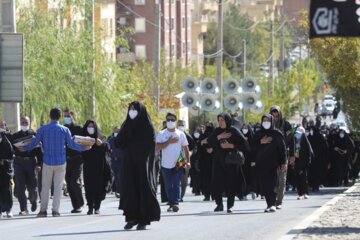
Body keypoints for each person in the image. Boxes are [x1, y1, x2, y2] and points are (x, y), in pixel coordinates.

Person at [24, 108, 90, 217]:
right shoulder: (65, 130)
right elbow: (72, 145)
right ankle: (55, 210)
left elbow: (35, 142)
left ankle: (43, 210)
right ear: (60, 117)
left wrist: (25, 148)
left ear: (50, 116)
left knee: (45, 187)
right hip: (60, 162)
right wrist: (84, 148)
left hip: (47, 161)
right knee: (58, 187)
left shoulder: (43, 129)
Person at [116, 101, 160, 230]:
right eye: (131, 109)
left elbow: (151, 145)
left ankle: (143, 220)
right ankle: (131, 218)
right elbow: (119, 142)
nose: (132, 111)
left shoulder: (147, 126)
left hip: (143, 165)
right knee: (130, 189)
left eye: (135, 109)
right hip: (129, 163)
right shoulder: (127, 125)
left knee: (143, 188)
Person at [207, 113, 250, 213]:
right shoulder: (217, 131)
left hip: (231, 161)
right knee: (217, 182)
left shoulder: (233, 130)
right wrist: (219, 137)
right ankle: (219, 204)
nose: (220, 122)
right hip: (218, 161)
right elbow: (209, 141)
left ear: (227, 120)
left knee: (231, 183)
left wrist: (231, 146)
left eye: (222, 120)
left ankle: (230, 205)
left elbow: (245, 144)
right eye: (219, 120)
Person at [251, 114, 287, 213]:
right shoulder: (258, 134)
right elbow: (252, 148)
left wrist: (283, 163)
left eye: (268, 120)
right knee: (265, 184)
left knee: (274, 183)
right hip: (261, 163)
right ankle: (269, 204)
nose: (266, 122)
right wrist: (260, 142)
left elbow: (282, 149)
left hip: (274, 163)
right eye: (264, 120)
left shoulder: (277, 133)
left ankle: (273, 204)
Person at [156, 112, 190, 213]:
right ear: (166, 122)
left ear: (175, 121)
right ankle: (171, 203)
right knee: (168, 185)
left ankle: (175, 203)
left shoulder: (181, 134)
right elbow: (157, 147)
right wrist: (168, 142)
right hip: (165, 164)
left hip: (179, 162)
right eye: (168, 120)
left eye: (172, 120)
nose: (170, 122)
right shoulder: (162, 134)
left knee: (176, 183)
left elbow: (186, 148)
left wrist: (188, 162)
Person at [11, 116, 42, 215]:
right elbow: (11, 149)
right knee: (20, 186)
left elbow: (39, 151)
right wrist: (17, 150)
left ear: (29, 123)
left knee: (32, 186)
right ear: (20, 122)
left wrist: (39, 164)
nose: (24, 124)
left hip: (31, 162)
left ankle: (33, 201)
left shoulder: (34, 134)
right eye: (23, 122)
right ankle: (23, 208)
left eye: (26, 122)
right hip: (19, 162)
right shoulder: (15, 135)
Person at [81, 120, 112, 215]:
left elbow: (108, 148)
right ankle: (90, 207)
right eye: (88, 126)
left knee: (98, 186)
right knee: (88, 186)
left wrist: (101, 144)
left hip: (99, 166)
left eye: (92, 126)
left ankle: (97, 206)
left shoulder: (101, 137)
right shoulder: (83, 138)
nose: (90, 128)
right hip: (88, 166)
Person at [270, 106, 294, 209]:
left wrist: (293, 154)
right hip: (271, 154)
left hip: (284, 154)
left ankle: (279, 201)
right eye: (273, 116)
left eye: (277, 116)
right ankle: (272, 200)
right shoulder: (268, 124)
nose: (275, 118)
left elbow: (292, 139)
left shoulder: (287, 125)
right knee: (272, 178)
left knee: (282, 178)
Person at [63, 109, 85, 214]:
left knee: (74, 181)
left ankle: (80, 203)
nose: (66, 118)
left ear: (73, 116)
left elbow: (84, 141)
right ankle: (75, 206)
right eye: (65, 116)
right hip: (66, 159)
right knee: (68, 182)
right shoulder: (63, 128)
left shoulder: (79, 128)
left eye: (68, 116)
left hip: (77, 158)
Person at [290, 127, 313, 200]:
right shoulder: (294, 141)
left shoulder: (305, 141)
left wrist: (301, 155)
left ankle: (305, 193)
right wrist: (294, 155)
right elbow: (291, 150)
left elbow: (309, 153)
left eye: (299, 134)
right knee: (298, 178)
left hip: (304, 163)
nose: (298, 135)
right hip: (297, 162)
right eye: (297, 133)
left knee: (304, 178)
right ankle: (300, 193)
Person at [177, 120, 195, 201]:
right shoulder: (174, 134)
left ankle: (181, 196)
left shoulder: (187, 136)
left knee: (184, 178)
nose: (180, 126)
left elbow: (194, 147)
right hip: (174, 159)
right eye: (179, 124)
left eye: (182, 124)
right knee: (175, 178)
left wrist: (190, 153)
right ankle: (175, 196)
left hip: (183, 159)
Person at [0, 121, 14, 218]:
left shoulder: (9, 137)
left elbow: (13, 152)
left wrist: (5, 160)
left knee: (7, 189)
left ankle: (8, 209)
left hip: (6, 167)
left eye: (2, 126)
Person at [198, 122, 215, 201]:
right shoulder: (202, 135)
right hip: (205, 160)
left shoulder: (215, 134)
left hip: (214, 160)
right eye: (207, 125)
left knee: (214, 177)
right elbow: (199, 145)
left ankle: (215, 195)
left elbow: (217, 143)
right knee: (206, 178)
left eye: (210, 125)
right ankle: (207, 195)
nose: (208, 127)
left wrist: (212, 149)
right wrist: (205, 148)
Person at [108, 126, 124, 198]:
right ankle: (118, 191)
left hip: (122, 160)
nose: (117, 132)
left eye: (118, 131)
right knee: (116, 176)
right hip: (114, 160)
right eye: (115, 131)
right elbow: (108, 149)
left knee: (121, 176)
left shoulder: (123, 139)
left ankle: (121, 191)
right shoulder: (111, 140)